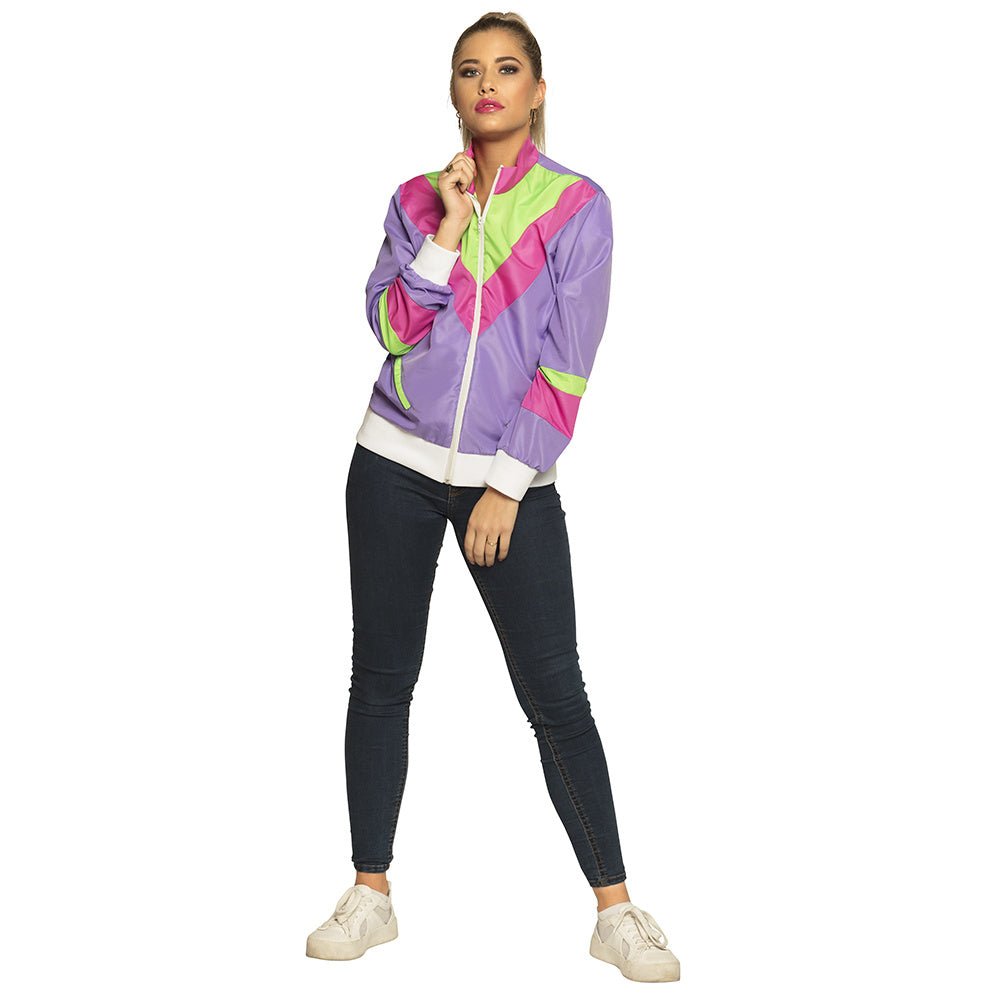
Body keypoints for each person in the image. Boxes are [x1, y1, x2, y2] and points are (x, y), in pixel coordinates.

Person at [305, 12, 680, 983]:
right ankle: (370, 891)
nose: (487, 84)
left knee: (555, 692)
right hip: (390, 461)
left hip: (504, 478)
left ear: (537, 90)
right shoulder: (412, 198)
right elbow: (391, 326)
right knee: (380, 680)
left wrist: (507, 485)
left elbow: (568, 363)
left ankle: (616, 911)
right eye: (470, 69)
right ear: (454, 89)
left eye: (507, 69)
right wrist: (444, 225)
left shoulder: (578, 207)